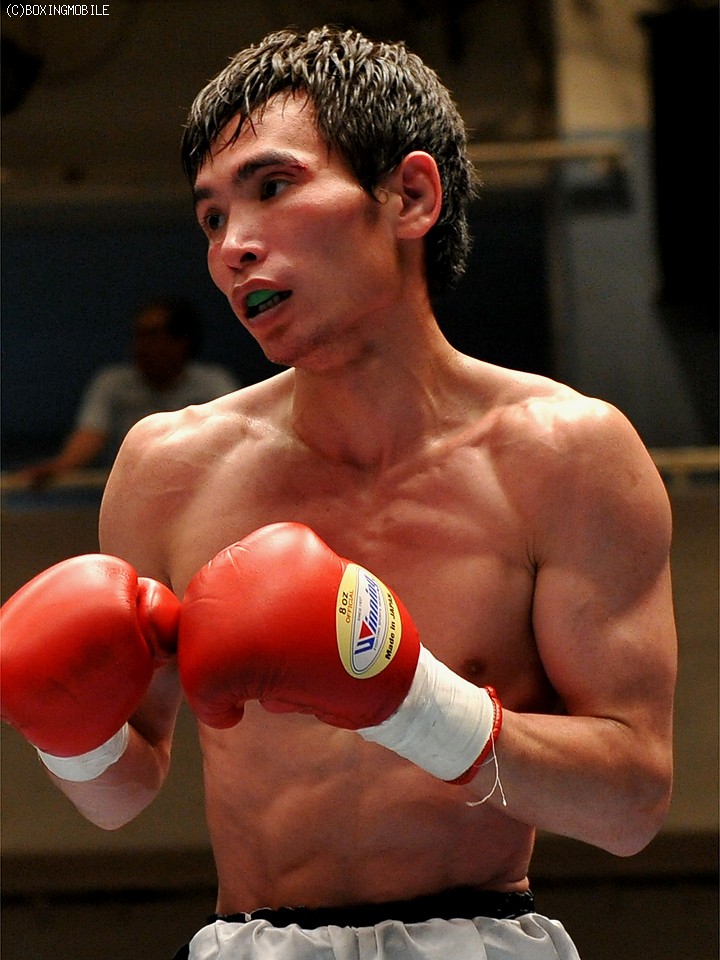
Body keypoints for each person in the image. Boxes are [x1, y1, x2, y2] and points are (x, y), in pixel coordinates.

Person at [0, 25, 677, 960]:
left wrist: (409, 702)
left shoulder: (567, 455)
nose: (233, 248)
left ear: (410, 196)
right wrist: (63, 728)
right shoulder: (169, 467)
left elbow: (632, 803)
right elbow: (123, 794)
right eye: (210, 219)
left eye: (272, 188)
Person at [17, 297, 238, 485]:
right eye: (138, 335)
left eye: (152, 335)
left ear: (182, 341)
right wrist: (58, 467)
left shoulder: (214, 383)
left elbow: (237, 437)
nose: (141, 346)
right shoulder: (111, 383)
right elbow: (91, 435)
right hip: (128, 495)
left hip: (196, 491)